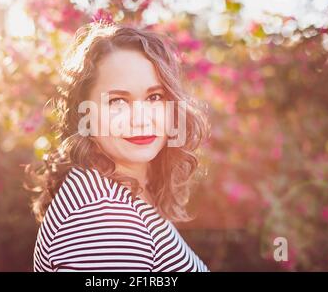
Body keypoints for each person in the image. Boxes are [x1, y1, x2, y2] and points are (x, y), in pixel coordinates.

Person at [24, 21, 210, 272]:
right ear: (85, 114)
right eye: (117, 101)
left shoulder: (122, 188)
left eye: (155, 97)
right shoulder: (100, 221)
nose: (141, 119)